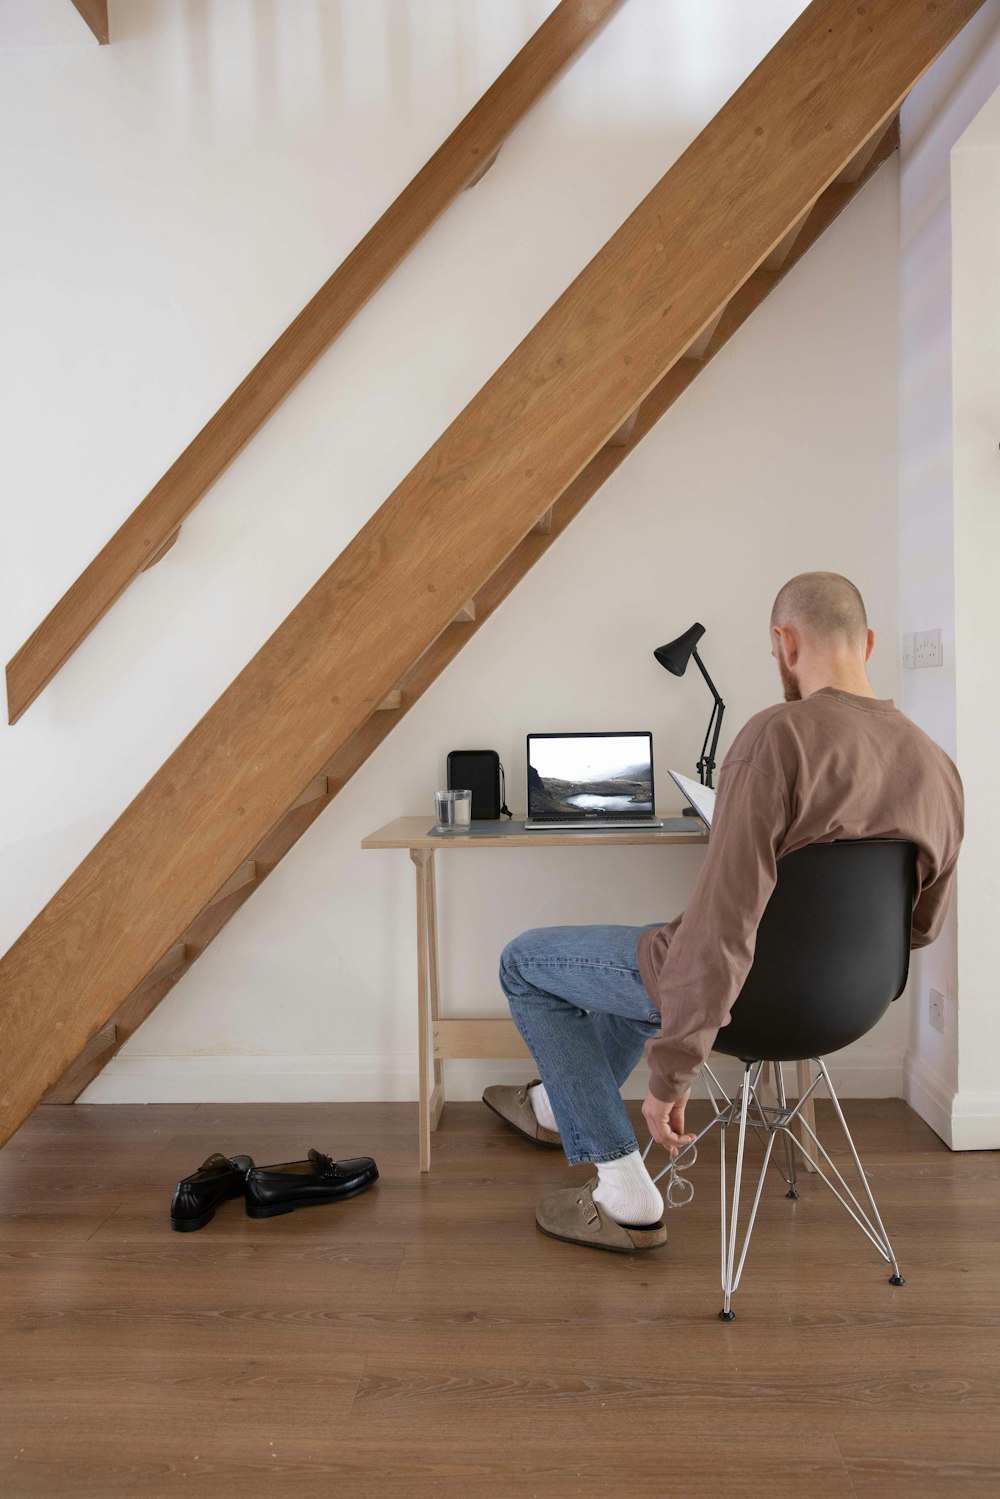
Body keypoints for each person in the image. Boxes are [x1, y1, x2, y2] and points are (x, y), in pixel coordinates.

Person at [483, 573, 964, 1253]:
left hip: (743, 994)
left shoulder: (778, 737)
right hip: (850, 1007)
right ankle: (554, 1105)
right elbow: (921, 924)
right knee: (661, 951)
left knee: (527, 962)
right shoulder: (936, 765)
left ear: (783, 642)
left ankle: (624, 1189)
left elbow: (722, 927)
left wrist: (671, 1072)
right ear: (871, 643)